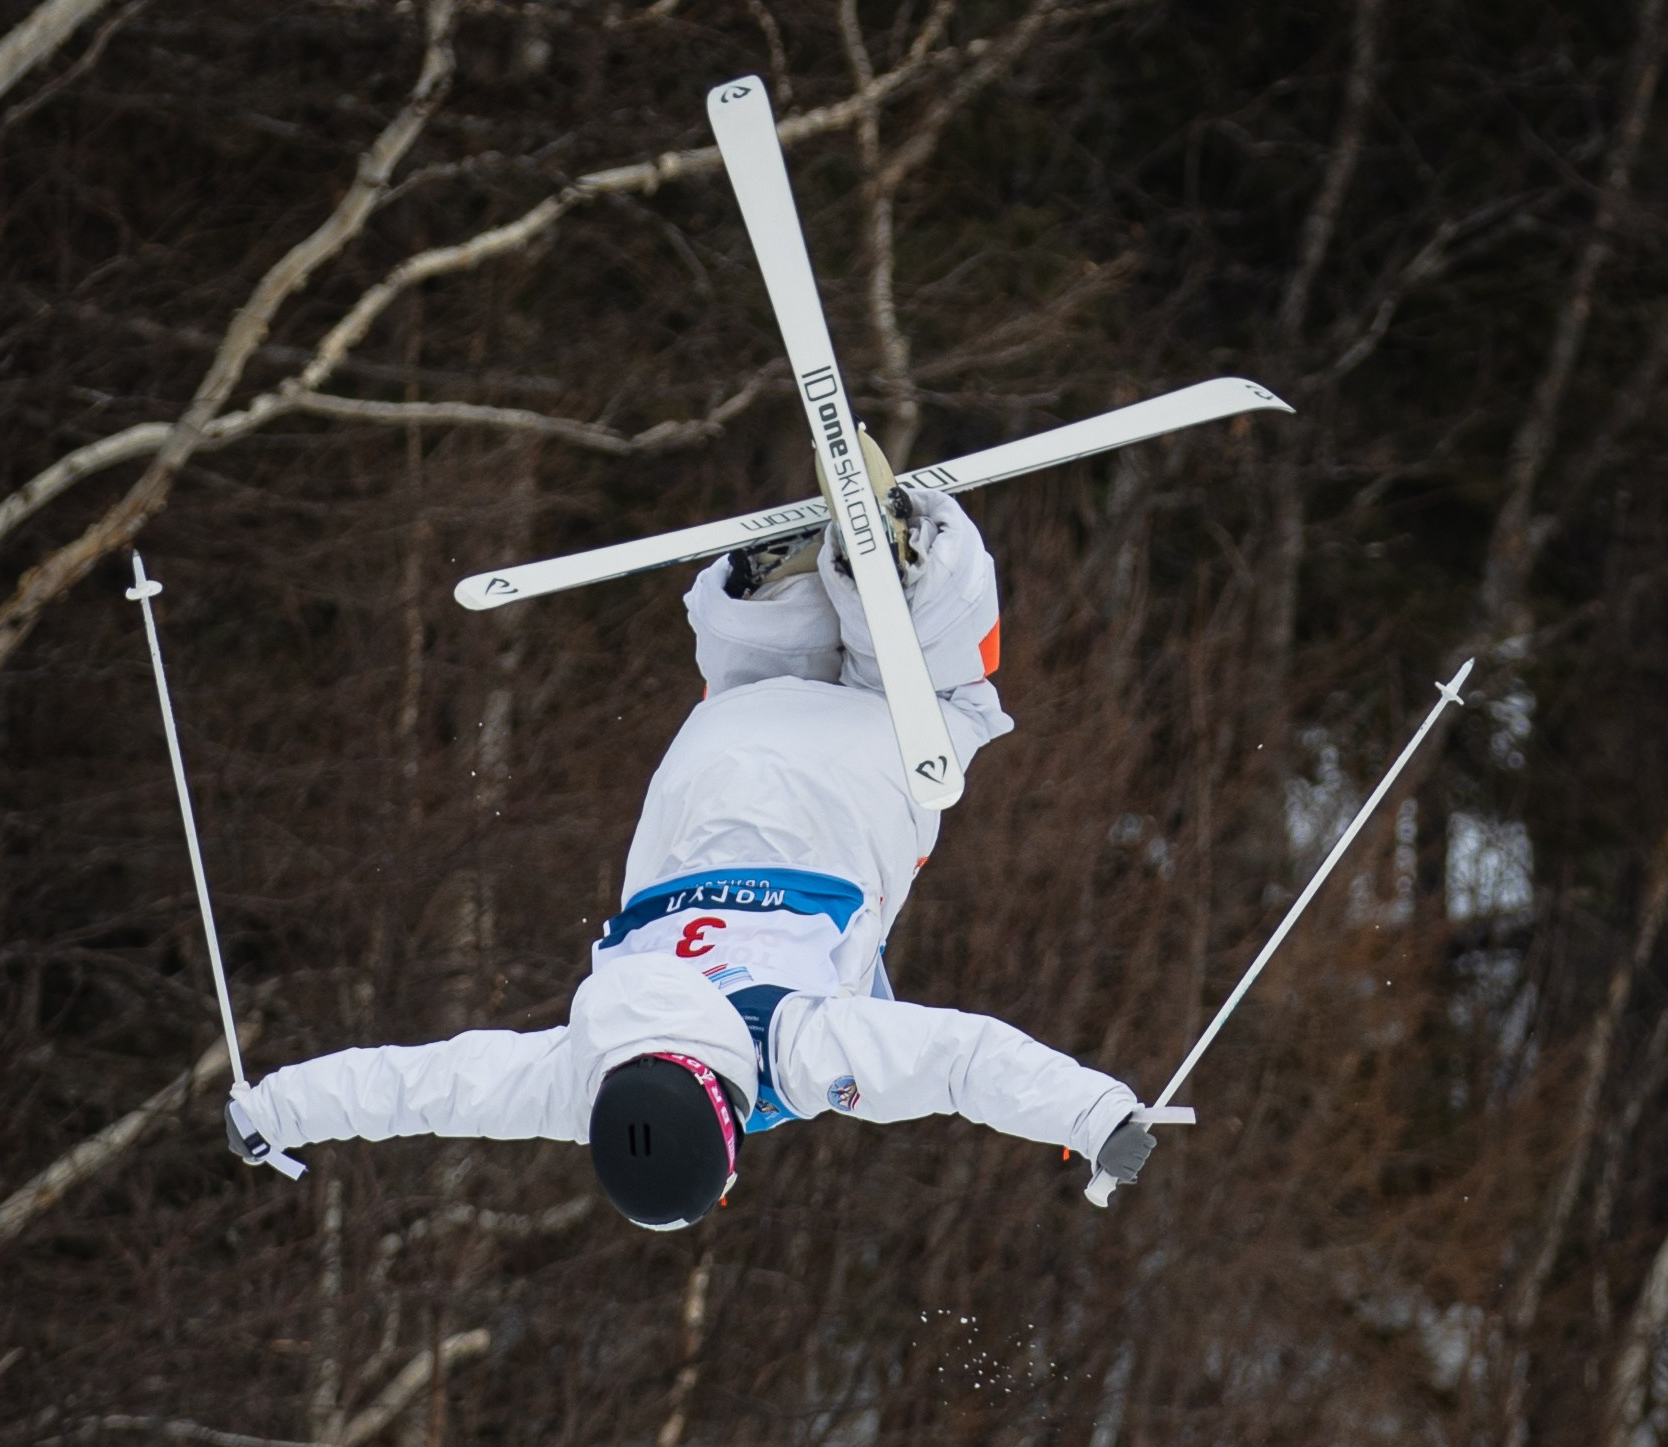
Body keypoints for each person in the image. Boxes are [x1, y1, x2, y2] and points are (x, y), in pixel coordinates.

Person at [226, 450, 1155, 1230]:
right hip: (708, 765)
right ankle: (769, 600)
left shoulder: (792, 1049)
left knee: (945, 710)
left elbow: (957, 1061)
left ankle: (920, 578)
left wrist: (1096, 1112)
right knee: (760, 691)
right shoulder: (569, 1077)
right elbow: (415, 1087)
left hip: (847, 787)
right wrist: (271, 1111)